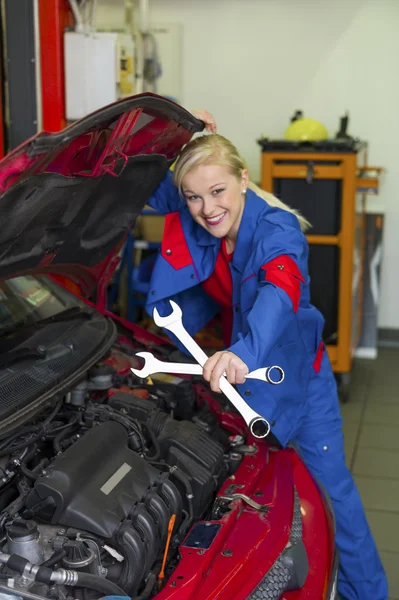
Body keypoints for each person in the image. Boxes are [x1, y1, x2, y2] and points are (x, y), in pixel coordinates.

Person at [144, 110, 388, 600]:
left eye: (218, 192)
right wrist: (176, 114)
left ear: (243, 179)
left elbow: (279, 290)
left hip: (295, 376)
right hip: (244, 377)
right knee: (263, 495)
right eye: (193, 197)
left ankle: (371, 593)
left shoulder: (278, 230)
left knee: (334, 495)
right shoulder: (192, 195)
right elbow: (137, 178)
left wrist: (241, 352)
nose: (207, 208)